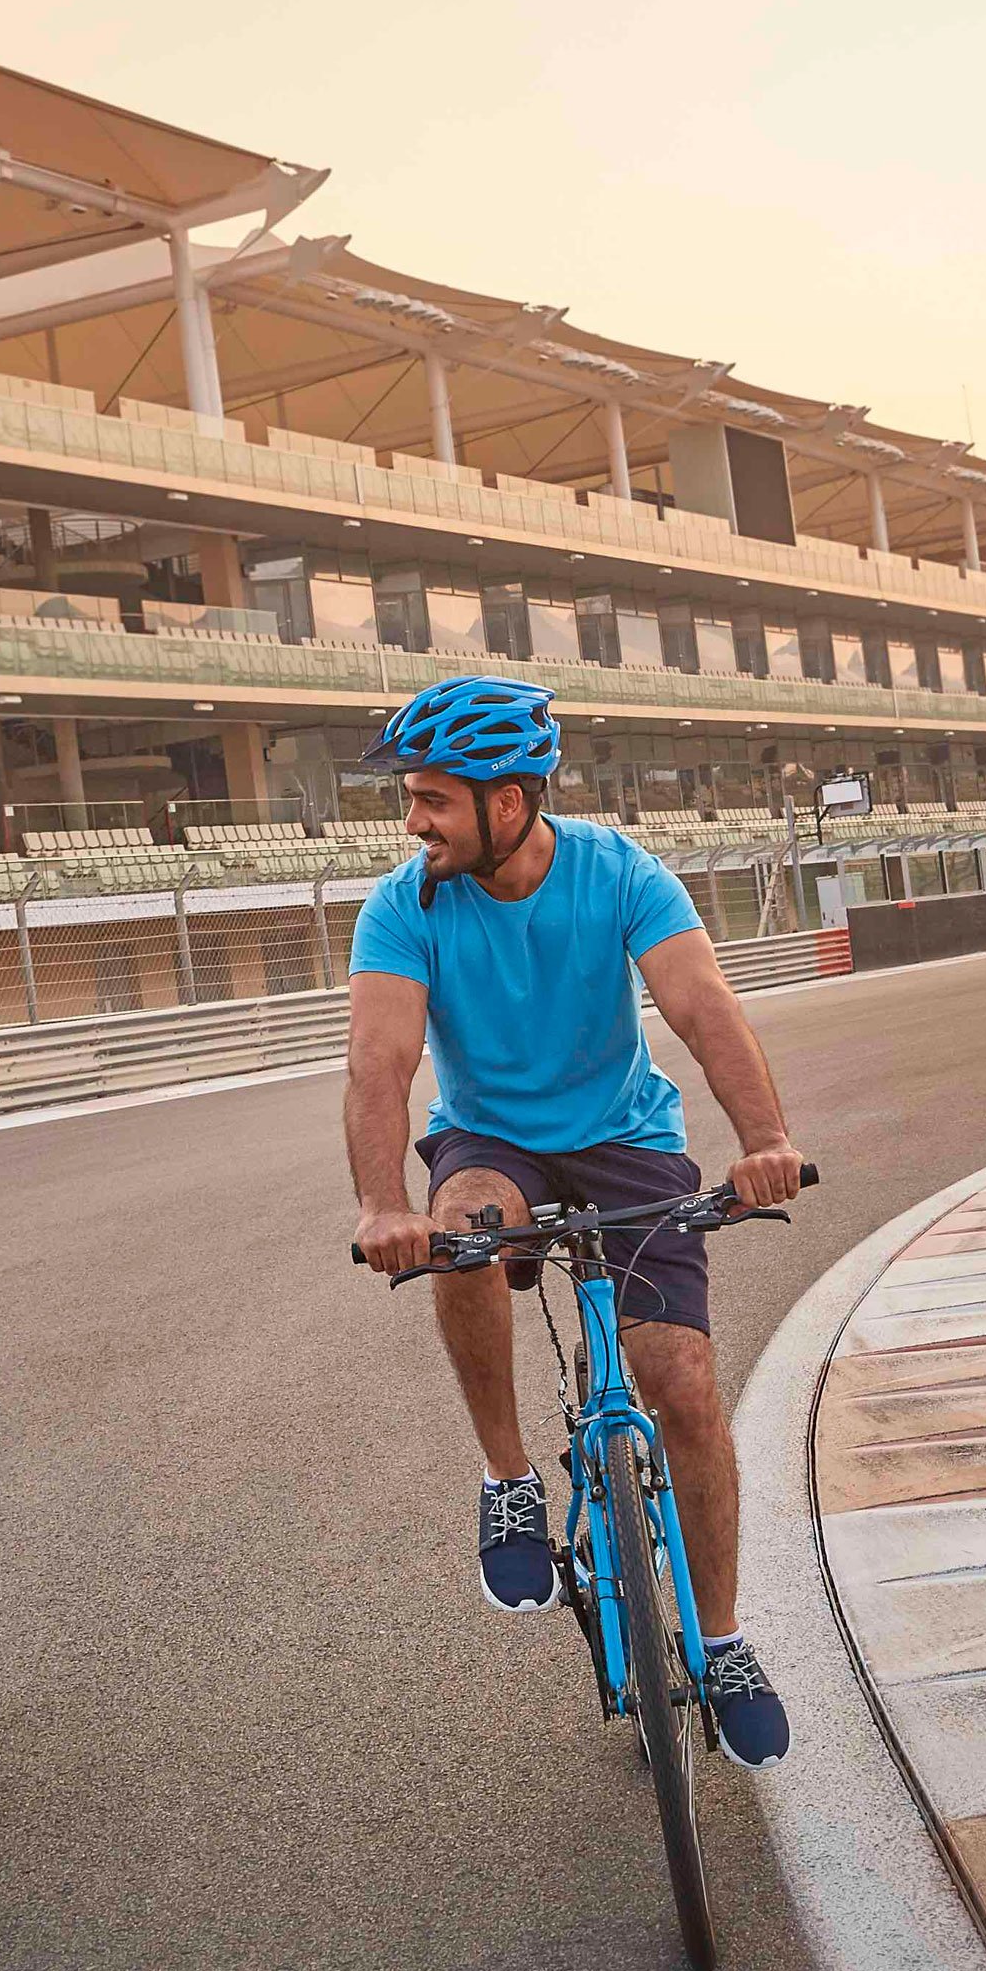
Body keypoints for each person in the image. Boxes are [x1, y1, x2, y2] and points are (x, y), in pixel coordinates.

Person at [344, 679, 810, 1767]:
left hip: (623, 1140)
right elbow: (380, 1061)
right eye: (411, 800)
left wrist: (765, 1141)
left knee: (682, 1386)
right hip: (492, 1140)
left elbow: (700, 1007)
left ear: (508, 801)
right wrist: (380, 1205)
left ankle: (724, 1638)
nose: (412, 822)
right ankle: (509, 1478)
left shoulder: (617, 872)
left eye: (432, 800)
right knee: (458, 1225)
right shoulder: (403, 905)